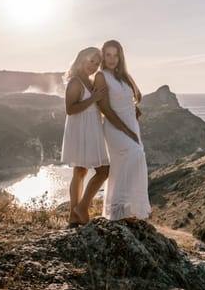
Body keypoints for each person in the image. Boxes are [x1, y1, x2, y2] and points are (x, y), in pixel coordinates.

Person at [94, 40, 151, 221]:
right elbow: (104, 108)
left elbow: (138, 95)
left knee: (127, 164)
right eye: (108, 55)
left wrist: (132, 108)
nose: (112, 59)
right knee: (134, 154)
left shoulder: (124, 76)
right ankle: (116, 212)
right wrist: (125, 129)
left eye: (115, 55)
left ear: (121, 57)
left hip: (131, 125)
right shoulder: (101, 76)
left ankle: (127, 211)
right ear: (103, 56)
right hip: (114, 127)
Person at [61, 47, 109, 227]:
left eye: (97, 64)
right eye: (91, 61)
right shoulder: (75, 82)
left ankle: (74, 217)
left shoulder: (90, 81)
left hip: (92, 129)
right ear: (82, 59)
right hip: (81, 129)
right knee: (102, 170)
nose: (94, 66)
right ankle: (81, 208)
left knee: (81, 171)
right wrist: (93, 98)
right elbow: (70, 109)